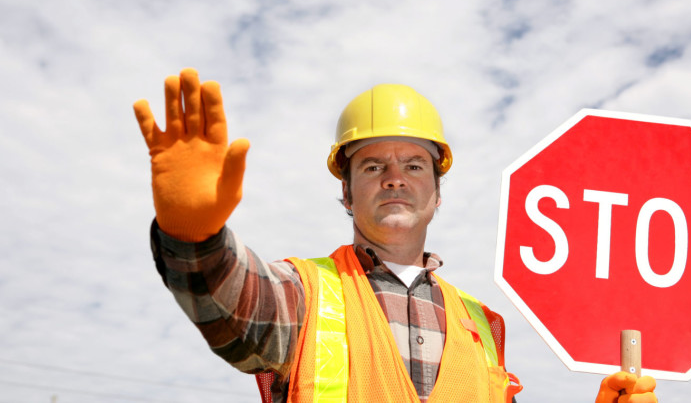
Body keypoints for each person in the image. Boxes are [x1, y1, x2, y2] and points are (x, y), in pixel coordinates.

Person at [133, 68, 657, 403]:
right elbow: (231, 304)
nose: (394, 177)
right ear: (346, 194)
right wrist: (194, 231)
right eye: (371, 166)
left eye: (413, 164)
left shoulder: (483, 328)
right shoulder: (303, 292)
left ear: (438, 191)